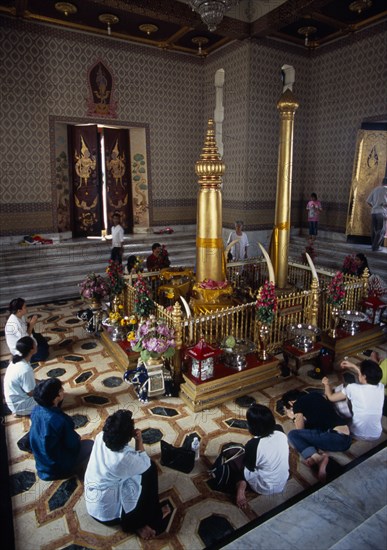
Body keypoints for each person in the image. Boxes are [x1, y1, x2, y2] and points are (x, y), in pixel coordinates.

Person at [84, 410, 170, 539]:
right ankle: (145, 521)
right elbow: (145, 463)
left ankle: (137, 520)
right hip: (109, 515)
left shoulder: (100, 436)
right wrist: (139, 440)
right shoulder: (123, 458)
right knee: (150, 472)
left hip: (92, 502)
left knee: (136, 475)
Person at [30, 378, 93, 480]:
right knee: (90, 444)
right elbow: (73, 445)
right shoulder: (61, 420)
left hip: (41, 463)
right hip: (55, 468)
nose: (63, 391)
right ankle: (67, 471)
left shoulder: (35, 410)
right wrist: (76, 438)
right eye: (61, 390)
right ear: (56, 397)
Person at [282, 389, 351, 481]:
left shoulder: (297, 404)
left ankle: (317, 457)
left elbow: (300, 431)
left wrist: (294, 417)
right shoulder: (316, 394)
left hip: (337, 438)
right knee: (311, 427)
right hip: (345, 436)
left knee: (293, 435)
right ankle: (319, 458)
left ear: (290, 402)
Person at [227, 404, 289, 508]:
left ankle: (241, 491)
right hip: (282, 482)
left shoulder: (253, 444)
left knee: (235, 461)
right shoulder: (279, 429)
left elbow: (249, 467)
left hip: (265, 487)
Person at [322, 359, 384, 441]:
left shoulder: (353, 388)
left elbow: (331, 397)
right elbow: (364, 378)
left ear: (364, 376)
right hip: (376, 434)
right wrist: (353, 366)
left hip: (358, 433)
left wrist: (326, 384)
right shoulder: (380, 387)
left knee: (340, 392)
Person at [5, 298, 49, 362]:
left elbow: (26, 330)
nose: (26, 308)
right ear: (19, 310)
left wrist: (29, 324)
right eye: (25, 307)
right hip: (22, 350)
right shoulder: (14, 324)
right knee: (44, 353)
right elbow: (25, 342)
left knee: (43, 342)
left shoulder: (20, 316)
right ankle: (21, 358)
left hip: (26, 337)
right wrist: (31, 325)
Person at [4, 336, 37, 416]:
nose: (36, 345)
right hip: (21, 406)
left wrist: (43, 382)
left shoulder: (17, 360)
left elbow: (29, 381)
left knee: (47, 386)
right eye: (35, 344)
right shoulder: (25, 369)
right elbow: (30, 393)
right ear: (32, 350)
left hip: (13, 402)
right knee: (55, 395)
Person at [366, 178, 387, 251]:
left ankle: (373, 245)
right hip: (382, 212)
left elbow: (368, 201)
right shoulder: (386, 189)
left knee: (374, 229)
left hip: (374, 212)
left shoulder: (375, 189)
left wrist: (374, 206)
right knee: (381, 230)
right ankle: (375, 247)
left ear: (382, 182)